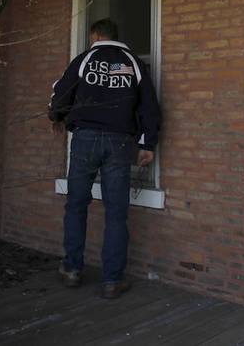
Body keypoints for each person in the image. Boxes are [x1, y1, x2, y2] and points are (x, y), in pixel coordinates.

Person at [49, 18, 160, 299]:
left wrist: (57, 116)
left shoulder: (85, 59)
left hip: (85, 139)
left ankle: (72, 269)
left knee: (76, 204)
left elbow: (61, 92)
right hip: (120, 142)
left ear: (96, 36)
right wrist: (147, 143)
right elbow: (149, 104)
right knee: (116, 212)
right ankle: (112, 280)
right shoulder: (133, 62)